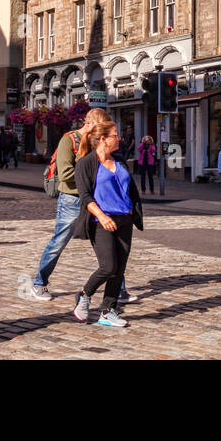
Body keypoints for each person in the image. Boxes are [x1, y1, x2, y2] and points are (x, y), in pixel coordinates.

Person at [72, 116, 143, 328]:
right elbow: (85, 197)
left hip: (124, 220)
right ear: (103, 139)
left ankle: (108, 311)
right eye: (115, 135)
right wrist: (102, 217)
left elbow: (129, 188)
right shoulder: (86, 163)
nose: (119, 138)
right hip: (100, 221)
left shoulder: (120, 160)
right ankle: (84, 295)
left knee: (119, 269)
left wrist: (132, 210)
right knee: (108, 266)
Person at [29, 108, 103, 300]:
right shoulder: (68, 140)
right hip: (72, 199)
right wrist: (93, 176)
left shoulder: (97, 142)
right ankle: (39, 282)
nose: (101, 135)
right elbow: (65, 174)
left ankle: (118, 289)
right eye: (99, 129)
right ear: (88, 124)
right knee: (58, 243)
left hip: (94, 200)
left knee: (106, 244)